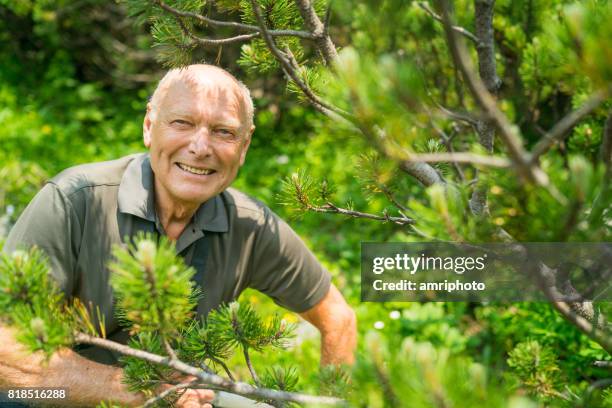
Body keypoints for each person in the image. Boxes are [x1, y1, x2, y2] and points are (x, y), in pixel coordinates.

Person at [0, 64, 357, 407]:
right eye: (182, 123)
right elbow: (8, 353)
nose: (201, 147)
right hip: (50, 399)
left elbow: (338, 318)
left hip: (180, 400)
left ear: (244, 147)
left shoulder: (251, 226)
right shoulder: (75, 200)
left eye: (223, 132)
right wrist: (136, 392)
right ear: (148, 127)